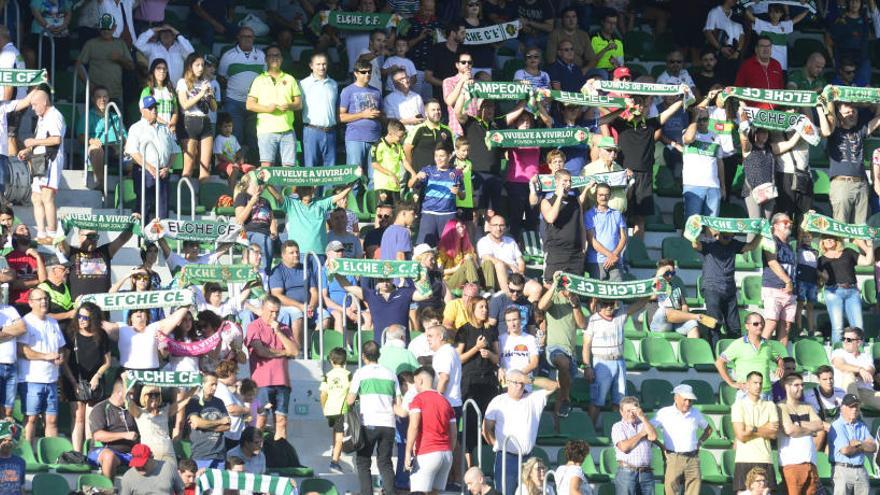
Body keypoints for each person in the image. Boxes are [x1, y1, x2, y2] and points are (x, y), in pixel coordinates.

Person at [607, 88, 687, 238]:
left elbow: (669, 111)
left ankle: (637, 251)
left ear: (645, 108)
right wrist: (622, 106)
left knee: (640, 218)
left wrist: (683, 95)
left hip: (645, 176)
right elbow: (603, 113)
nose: (637, 107)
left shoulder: (651, 124)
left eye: (640, 105)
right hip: (623, 175)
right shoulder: (621, 123)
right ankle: (619, 251)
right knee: (619, 215)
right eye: (635, 105)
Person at [483, 369, 559, 495]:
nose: (519, 386)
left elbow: (554, 385)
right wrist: (496, 444)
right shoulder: (498, 401)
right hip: (507, 458)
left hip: (528, 459)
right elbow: (486, 429)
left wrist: (528, 379)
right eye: (516, 382)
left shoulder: (533, 398)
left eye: (522, 383)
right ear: (508, 382)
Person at [348, 340, 402, 495]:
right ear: (379, 355)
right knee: (385, 462)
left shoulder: (361, 373)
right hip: (389, 424)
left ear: (364, 356)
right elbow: (398, 402)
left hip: (368, 423)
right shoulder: (391, 374)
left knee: (363, 461)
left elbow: (350, 400)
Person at [692, 228, 761, 348]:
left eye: (729, 235)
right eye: (724, 235)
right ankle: (715, 354)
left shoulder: (734, 244)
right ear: (718, 233)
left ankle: (735, 355)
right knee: (714, 323)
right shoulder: (710, 243)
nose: (727, 237)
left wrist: (761, 232)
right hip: (712, 288)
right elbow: (695, 244)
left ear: (733, 234)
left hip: (729, 289)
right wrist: (694, 230)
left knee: (734, 327)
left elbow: (751, 246)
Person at [816, 100, 880, 225]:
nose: (852, 114)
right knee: (840, 225)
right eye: (848, 112)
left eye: (854, 111)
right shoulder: (834, 132)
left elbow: (878, 118)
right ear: (839, 115)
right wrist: (823, 106)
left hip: (862, 184)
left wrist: (871, 100)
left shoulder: (860, 131)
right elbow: (826, 130)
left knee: (861, 228)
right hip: (841, 183)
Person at [60, 301, 110, 453]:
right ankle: (77, 452)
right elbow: (65, 363)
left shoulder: (101, 335)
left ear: (93, 319)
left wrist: (97, 376)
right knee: (78, 417)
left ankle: (90, 452)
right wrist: (73, 383)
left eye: (86, 318)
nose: (81, 320)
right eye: (79, 316)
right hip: (74, 379)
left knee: (90, 419)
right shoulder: (71, 333)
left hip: (94, 381)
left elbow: (107, 362)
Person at [244, 296, 296, 440]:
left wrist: (278, 332)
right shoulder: (254, 326)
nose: (274, 315)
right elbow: (261, 351)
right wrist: (284, 352)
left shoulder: (284, 328)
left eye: (277, 312)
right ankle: (254, 454)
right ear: (262, 309)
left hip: (283, 382)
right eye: (271, 311)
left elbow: (295, 351)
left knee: (281, 422)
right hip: (261, 383)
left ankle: (280, 456)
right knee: (259, 421)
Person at [18, 287, 66, 445]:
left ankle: (52, 457)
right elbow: (22, 351)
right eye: (39, 299)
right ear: (31, 303)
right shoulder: (26, 322)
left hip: (52, 378)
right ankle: (28, 454)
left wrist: (60, 357)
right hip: (32, 379)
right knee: (31, 418)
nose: (44, 301)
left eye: (46, 298)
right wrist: (45, 356)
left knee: (52, 420)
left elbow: (60, 347)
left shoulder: (53, 322)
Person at [17, 88, 64, 244]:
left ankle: (52, 233)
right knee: (36, 197)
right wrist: (28, 149)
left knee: (47, 196)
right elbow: (41, 138)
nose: (33, 108)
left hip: (51, 159)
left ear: (44, 102)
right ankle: (42, 233)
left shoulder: (54, 116)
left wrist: (34, 142)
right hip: (39, 159)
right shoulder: (42, 118)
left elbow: (56, 139)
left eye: (35, 104)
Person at [650, 384, 713, 495]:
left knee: (694, 490)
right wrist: (661, 445)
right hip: (674, 456)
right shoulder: (664, 412)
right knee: (671, 490)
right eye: (685, 399)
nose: (688, 403)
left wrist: (700, 443)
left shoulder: (696, 413)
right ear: (676, 398)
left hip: (693, 457)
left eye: (690, 400)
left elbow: (709, 430)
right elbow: (648, 429)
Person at [124, 95, 178, 223]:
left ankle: (160, 241)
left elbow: (175, 151)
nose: (154, 110)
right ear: (142, 110)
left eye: (155, 107)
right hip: (144, 171)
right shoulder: (136, 128)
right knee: (144, 206)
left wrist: (167, 167)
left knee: (163, 210)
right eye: (150, 108)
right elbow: (133, 151)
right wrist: (149, 167)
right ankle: (144, 240)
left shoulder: (165, 129)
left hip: (163, 173)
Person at [404, 366, 457, 495]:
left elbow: (414, 426)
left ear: (420, 380)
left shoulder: (418, 399)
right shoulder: (446, 401)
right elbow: (454, 433)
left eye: (415, 382)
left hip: (427, 453)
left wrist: (407, 452)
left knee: (418, 493)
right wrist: (450, 451)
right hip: (446, 454)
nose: (415, 386)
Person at [247, 44, 301, 168]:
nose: (274, 58)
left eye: (277, 55)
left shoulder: (290, 79)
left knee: (290, 169)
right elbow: (249, 105)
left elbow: (298, 104)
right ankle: (270, 189)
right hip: (266, 130)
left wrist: (289, 106)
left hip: (287, 130)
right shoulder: (259, 80)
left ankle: (286, 189)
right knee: (267, 167)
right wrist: (267, 109)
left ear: (282, 59)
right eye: (271, 56)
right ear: (266, 59)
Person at [539, 278, 585, 418]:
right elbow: (541, 306)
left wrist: (575, 305)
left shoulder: (575, 301)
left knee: (562, 389)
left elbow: (582, 325)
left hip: (571, 352)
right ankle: (566, 397)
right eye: (565, 284)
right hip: (554, 348)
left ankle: (558, 424)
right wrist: (554, 286)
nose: (567, 288)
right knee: (563, 363)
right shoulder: (553, 298)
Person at [715, 312, 784, 400]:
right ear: (747, 326)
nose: (760, 326)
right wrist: (731, 383)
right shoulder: (738, 344)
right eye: (756, 324)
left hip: (767, 393)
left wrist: (780, 365)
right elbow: (719, 362)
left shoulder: (768, 344)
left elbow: (779, 358)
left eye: (762, 323)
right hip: (747, 394)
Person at [281, 175, 354, 258]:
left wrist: (352, 183)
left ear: (313, 190)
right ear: (299, 191)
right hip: (297, 253)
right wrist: (267, 184)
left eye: (309, 188)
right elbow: (278, 197)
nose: (307, 191)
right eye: (304, 189)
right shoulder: (292, 204)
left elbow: (338, 197)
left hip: (319, 253)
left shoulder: (321, 203)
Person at [218, 27, 265, 153]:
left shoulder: (261, 55)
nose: (247, 39)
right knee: (235, 136)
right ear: (238, 37)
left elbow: (266, 78)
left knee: (254, 136)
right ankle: (233, 168)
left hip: (255, 103)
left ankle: (254, 166)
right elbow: (221, 77)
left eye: (250, 36)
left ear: (254, 38)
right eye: (244, 36)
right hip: (234, 102)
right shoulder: (228, 55)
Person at [730, 372, 779, 492]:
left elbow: (773, 434)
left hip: (765, 458)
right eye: (755, 383)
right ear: (747, 384)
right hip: (744, 458)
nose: (758, 386)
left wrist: (753, 429)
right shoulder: (738, 405)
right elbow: (741, 435)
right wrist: (765, 428)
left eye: (760, 383)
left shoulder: (770, 405)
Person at [777, 372, 824, 495]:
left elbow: (819, 425)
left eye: (802, 385)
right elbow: (790, 430)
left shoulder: (807, 406)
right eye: (796, 385)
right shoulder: (781, 407)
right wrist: (810, 428)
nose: (801, 388)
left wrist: (799, 424)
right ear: (787, 387)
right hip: (791, 464)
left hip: (810, 464)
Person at [103, 307, 189, 372]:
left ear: (147, 317)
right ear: (130, 318)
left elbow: (174, 318)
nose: (139, 312)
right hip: (127, 373)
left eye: (142, 311)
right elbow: (98, 322)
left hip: (152, 373)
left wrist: (187, 302)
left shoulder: (154, 327)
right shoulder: (121, 328)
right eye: (135, 311)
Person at [409, 146, 464, 245]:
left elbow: (463, 196)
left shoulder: (456, 173)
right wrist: (416, 176)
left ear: (449, 156)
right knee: (425, 248)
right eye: (436, 156)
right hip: (429, 214)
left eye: (442, 156)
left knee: (449, 248)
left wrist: (458, 192)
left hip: (448, 214)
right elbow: (410, 184)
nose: (438, 159)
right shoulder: (428, 170)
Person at [89, 376, 140, 479]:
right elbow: (98, 436)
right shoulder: (101, 409)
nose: (132, 398)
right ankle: (108, 490)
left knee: (153, 455)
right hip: (103, 450)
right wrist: (125, 435)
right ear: (118, 393)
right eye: (129, 394)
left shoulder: (132, 408)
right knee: (109, 456)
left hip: (129, 453)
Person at [341, 60, 383, 183]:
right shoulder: (347, 91)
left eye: (369, 72)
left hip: (374, 137)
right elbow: (341, 117)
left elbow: (382, 113)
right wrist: (363, 114)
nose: (367, 75)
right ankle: (352, 201)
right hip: (355, 137)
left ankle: (372, 201)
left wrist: (380, 115)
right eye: (363, 72)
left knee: (375, 176)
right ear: (356, 73)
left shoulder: (376, 91)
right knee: (354, 175)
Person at [819, 236, 868, 343]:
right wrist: (822, 276)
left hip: (852, 291)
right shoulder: (821, 260)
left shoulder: (848, 252)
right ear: (822, 242)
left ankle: (859, 353)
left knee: (858, 326)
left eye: (831, 238)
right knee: (838, 328)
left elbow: (868, 262)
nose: (829, 240)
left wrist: (865, 245)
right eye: (825, 238)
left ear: (837, 240)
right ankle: (837, 354)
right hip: (833, 292)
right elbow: (820, 280)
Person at [269, 240, 318, 344]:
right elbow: (277, 295)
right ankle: (298, 352)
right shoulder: (277, 271)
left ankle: (315, 350)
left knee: (325, 316)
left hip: (308, 307)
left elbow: (314, 292)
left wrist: (311, 307)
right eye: (291, 253)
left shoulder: (306, 269)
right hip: (287, 307)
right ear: (283, 255)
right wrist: (301, 306)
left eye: (297, 252)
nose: (296, 255)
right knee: (297, 314)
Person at [75, 14, 132, 103]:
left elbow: (131, 66)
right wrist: (89, 85)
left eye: (109, 28)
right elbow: (78, 65)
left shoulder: (121, 44)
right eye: (103, 28)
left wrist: (120, 58)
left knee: (117, 117)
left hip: (115, 94)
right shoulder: (91, 44)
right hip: (96, 94)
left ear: (114, 27)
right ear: (98, 28)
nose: (106, 31)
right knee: (94, 117)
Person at [126, 384, 184, 466]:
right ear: (143, 397)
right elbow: (127, 400)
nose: (153, 397)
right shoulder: (139, 412)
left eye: (156, 394)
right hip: (150, 456)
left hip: (169, 455)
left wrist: (195, 388)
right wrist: (125, 382)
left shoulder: (165, 411)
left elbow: (183, 402)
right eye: (150, 394)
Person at [828, 393, 875, 494]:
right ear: (843, 407)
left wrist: (858, 444)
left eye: (856, 406)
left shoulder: (862, 426)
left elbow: (873, 447)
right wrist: (863, 445)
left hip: (861, 469)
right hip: (842, 470)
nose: (854, 409)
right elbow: (846, 450)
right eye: (851, 406)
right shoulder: (837, 425)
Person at [649, 260, 708, 338]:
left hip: (676, 322)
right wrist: (659, 276)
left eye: (672, 273)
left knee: (693, 324)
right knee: (664, 311)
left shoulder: (676, 288)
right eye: (667, 273)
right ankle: (696, 316)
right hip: (659, 323)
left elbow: (684, 307)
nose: (670, 276)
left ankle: (691, 349)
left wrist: (682, 316)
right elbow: (652, 296)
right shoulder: (651, 284)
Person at [300, 52, 338, 169]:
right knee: (311, 170)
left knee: (329, 170)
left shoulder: (333, 84)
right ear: (311, 66)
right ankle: (312, 189)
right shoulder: (303, 84)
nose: (322, 67)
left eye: (324, 64)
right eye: (318, 64)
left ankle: (328, 189)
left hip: (330, 131)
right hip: (312, 131)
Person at [611, 396, 656, 495]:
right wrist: (641, 434)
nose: (631, 414)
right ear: (621, 412)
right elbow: (624, 448)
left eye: (633, 411)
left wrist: (643, 417)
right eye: (627, 411)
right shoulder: (618, 426)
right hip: (627, 472)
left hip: (646, 473)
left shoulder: (645, 424)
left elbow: (653, 437)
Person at [584, 183, 626, 282]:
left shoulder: (617, 214)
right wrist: (610, 255)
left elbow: (623, 237)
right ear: (596, 196)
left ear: (610, 196)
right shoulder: (589, 215)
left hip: (615, 260)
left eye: (606, 195)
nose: (603, 197)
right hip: (596, 261)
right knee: (595, 295)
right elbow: (591, 239)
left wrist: (614, 255)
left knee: (617, 292)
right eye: (600, 195)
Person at [831, 327, 880, 409]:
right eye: (843, 339)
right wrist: (860, 370)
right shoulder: (838, 352)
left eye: (849, 339)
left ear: (859, 342)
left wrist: (862, 372)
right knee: (849, 375)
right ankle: (854, 412)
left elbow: (869, 373)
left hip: (865, 393)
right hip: (843, 392)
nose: (845, 341)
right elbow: (840, 365)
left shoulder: (866, 357)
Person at [320, 347, 350, 472]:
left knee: (335, 432)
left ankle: (334, 452)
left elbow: (323, 394)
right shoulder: (348, 374)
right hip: (341, 409)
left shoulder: (327, 375)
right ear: (345, 361)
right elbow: (352, 392)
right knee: (340, 437)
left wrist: (323, 407)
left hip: (329, 409)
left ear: (331, 361)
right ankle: (334, 462)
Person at [477, 215, 525, 291]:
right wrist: (510, 266)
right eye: (495, 225)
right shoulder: (483, 241)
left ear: (505, 227)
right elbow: (488, 258)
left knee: (536, 289)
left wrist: (520, 273)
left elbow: (521, 261)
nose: (498, 228)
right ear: (489, 227)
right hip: (496, 278)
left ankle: (522, 301)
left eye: (501, 225)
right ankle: (508, 294)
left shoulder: (511, 241)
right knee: (500, 265)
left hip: (515, 277)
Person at [119, 443, 186, 495]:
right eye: (136, 464)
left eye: (143, 463)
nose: (140, 467)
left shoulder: (168, 467)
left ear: (152, 457)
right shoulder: (128, 477)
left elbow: (181, 491)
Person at [0, 420, 23, 494]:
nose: (7, 443)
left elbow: (21, 488)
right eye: (4, 440)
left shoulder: (21, 462)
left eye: (10, 440)